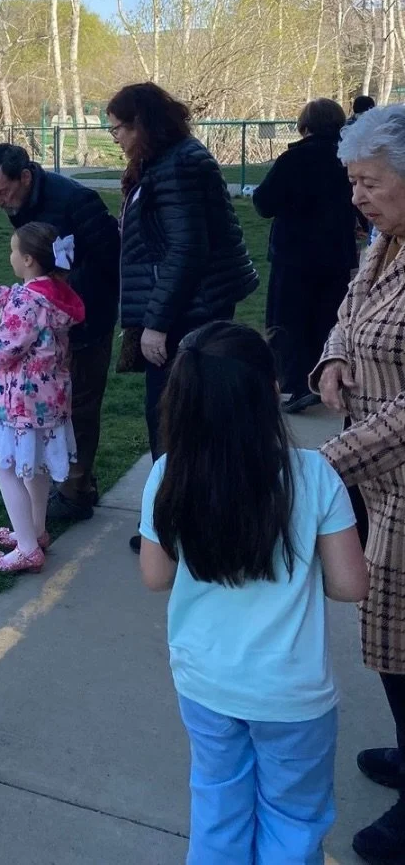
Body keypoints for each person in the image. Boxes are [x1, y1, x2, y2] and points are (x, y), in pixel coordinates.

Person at [140, 321, 367, 864]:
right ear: (270, 392)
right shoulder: (314, 476)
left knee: (218, 811)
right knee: (293, 819)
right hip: (292, 693)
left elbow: (155, 575)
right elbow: (349, 583)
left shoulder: (170, 474)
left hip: (206, 683)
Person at [108, 83, 258, 552]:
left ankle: (178, 529)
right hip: (187, 306)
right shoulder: (168, 161)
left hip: (186, 314)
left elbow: (187, 250)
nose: (114, 136)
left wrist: (156, 323)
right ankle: (185, 521)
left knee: (175, 420)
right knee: (181, 419)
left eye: (118, 128)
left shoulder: (179, 165)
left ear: (143, 124)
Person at [313, 105, 405, 863]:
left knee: (404, 642)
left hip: (395, 472)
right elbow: (349, 310)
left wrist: (325, 465)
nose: (358, 197)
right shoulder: (385, 245)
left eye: (371, 182)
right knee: (388, 638)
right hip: (378, 475)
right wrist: (333, 360)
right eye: (354, 182)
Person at [0, 142, 119, 522]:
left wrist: (57, 303)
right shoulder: (22, 204)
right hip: (50, 319)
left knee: (80, 406)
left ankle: (74, 492)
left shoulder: (77, 201)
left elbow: (110, 259)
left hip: (84, 320)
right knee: (57, 408)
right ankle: (61, 482)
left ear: (25, 176)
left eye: (2, 193)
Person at [0, 222, 84, 575]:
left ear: (28, 260)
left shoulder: (26, 301)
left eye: (13, 251)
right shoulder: (56, 294)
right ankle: (35, 531)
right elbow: (31, 317)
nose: (10, 256)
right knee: (35, 464)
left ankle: (28, 547)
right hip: (49, 401)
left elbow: (3, 352)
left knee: (6, 469)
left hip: (16, 405)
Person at [252, 98, 359, 413]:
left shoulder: (294, 159)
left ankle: (296, 384)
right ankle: (328, 377)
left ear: (305, 125)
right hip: (337, 252)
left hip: (294, 254)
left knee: (288, 321)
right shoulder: (347, 158)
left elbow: (263, 203)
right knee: (330, 318)